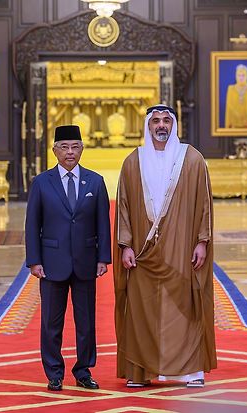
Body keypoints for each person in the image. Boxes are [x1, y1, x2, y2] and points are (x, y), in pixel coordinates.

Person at [113, 104, 216, 388]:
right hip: (142, 256)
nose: (161, 126)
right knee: (140, 310)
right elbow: (122, 207)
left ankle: (190, 370)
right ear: (147, 126)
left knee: (185, 307)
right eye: (156, 120)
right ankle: (140, 371)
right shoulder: (133, 162)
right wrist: (126, 246)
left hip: (182, 250)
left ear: (174, 125)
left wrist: (202, 242)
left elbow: (204, 204)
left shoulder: (192, 159)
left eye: (166, 121)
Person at [25, 125, 111, 392]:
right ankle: (54, 372)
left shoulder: (95, 182)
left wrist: (103, 258)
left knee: (86, 322)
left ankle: (83, 370)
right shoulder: (41, 182)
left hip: (85, 261)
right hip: (51, 263)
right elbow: (32, 225)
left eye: (75, 147)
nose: (70, 152)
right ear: (55, 151)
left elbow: (102, 224)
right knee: (52, 322)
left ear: (82, 149)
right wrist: (34, 260)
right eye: (64, 147)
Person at [224, 64, 247, 129]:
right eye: (239, 75)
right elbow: (228, 110)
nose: (241, 78)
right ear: (236, 76)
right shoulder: (231, 89)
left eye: (243, 75)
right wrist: (227, 128)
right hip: (234, 127)